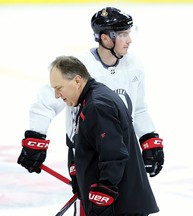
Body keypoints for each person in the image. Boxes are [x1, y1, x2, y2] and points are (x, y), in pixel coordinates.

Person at [17, 6, 164, 215]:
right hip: (87, 154)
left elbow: (139, 108)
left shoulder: (135, 65)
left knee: (129, 207)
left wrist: (149, 140)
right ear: (105, 38)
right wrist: (36, 138)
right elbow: (47, 100)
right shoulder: (80, 67)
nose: (129, 40)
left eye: (129, 33)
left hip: (121, 151)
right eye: (122, 34)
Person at [50, 55, 160, 216]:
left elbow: (114, 155)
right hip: (117, 206)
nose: (56, 95)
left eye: (59, 88)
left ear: (77, 81)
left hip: (118, 208)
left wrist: (103, 195)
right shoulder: (93, 98)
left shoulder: (97, 106)